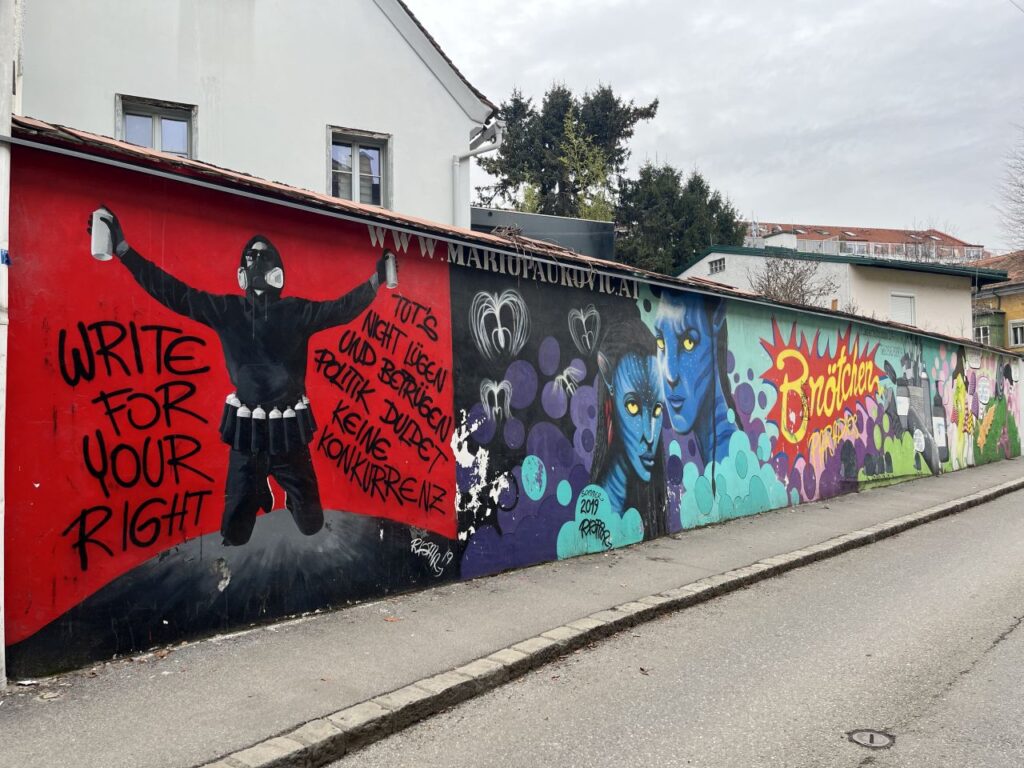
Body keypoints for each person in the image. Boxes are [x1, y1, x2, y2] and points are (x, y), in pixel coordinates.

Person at [87, 208, 392, 545]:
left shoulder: (296, 311)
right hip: (247, 433)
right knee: (234, 534)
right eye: (251, 255)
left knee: (311, 524)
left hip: (289, 433)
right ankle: (257, 489)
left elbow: (341, 309)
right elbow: (174, 293)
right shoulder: (228, 310)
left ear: (276, 270)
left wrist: (375, 281)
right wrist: (124, 251)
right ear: (243, 271)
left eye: (263, 255)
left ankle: (289, 499)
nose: (256, 260)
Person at [591, 317, 667, 539]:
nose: (649, 436)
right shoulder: (595, 512)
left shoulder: (651, 507)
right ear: (610, 387)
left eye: (657, 410)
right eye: (633, 406)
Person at [654, 291, 736, 464]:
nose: (670, 375)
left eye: (688, 343)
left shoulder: (731, 461)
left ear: (717, 317)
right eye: (661, 342)